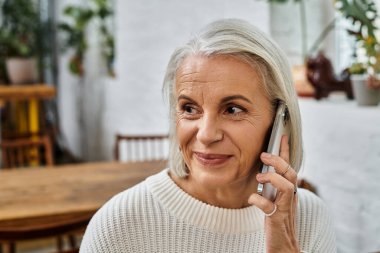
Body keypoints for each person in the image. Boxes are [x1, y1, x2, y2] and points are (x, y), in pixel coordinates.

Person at [80, 19, 337, 253]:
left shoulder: (309, 219)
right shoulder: (118, 225)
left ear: (280, 121)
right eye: (189, 109)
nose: (205, 135)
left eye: (233, 110)